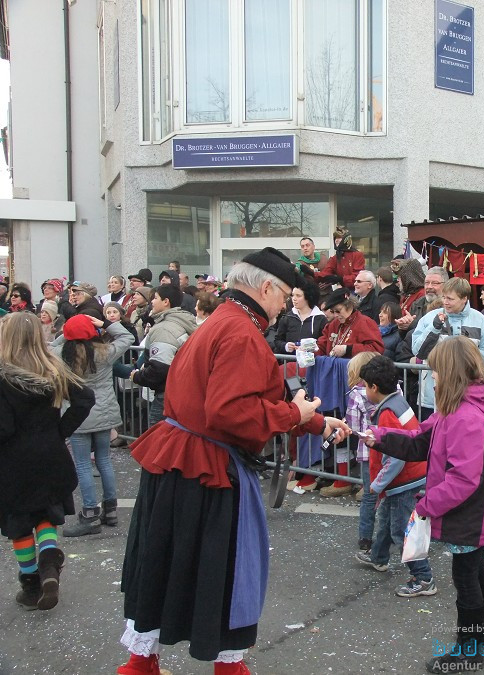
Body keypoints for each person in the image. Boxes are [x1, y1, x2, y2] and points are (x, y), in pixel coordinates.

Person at [118, 248, 349, 675]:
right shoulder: (241, 333)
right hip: (206, 471)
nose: (285, 305)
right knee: (221, 572)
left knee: (163, 564)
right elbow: (231, 413)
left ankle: (140, 663)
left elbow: (250, 398)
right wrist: (294, 414)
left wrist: (312, 421)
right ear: (266, 288)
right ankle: (226, 669)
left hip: (177, 462)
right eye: (285, 295)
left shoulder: (219, 322)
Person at [366, 337, 484, 673]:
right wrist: (378, 436)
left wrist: (427, 505)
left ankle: (469, 652)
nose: (432, 377)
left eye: (436, 371)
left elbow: (464, 479)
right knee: (475, 568)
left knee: (466, 577)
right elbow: (418, 442)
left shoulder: (463, 417)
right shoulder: (452, 411)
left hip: (470, 509)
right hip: (471, 507)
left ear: (450, 373)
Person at [0, 312, 95, 611]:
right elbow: (85, 399)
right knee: (45, 513)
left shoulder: (2, 376)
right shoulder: (53, 368)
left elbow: (4, 428)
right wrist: (60, 431)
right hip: (51, 455)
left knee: (19, 522)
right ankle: (50, 559)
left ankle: (30, 585)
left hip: (13, 460)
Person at [355, 356, 435, 599]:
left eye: (365, 385)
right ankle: (379, 557)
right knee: (387, 519)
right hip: (406, 478)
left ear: (374, 387)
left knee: (401, 530)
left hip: (403, 480)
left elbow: (396, 457)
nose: (364, 390)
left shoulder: (387, 412)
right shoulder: (398, 402)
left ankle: (423, 577)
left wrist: (377, 483)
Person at [51, 314, 133, 536]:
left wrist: (64, 335)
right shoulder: (104, 352)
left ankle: (89, 513)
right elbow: (126, 337)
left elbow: (48, 347)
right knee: (105, 461)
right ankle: (111, 510)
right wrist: (104, 324)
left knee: (83, 465)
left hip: (77, 414)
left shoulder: (59, 354)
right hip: (104, 410)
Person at [411, 277, 484, 419]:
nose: (445, 302)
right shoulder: (430, 318)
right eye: (443, 297)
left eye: (450, 299)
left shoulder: (480, 321)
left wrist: (459, 366)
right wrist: (434, 328)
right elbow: (418, 351)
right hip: (431, 396)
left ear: (464, 299)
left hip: (466, 395)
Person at [129, 285, 197, 426]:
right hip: (181, 392)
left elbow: (160, 368)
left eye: (155, 298)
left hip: (167, 396)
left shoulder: (165, 328)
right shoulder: (182, 321)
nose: (152, 302)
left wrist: (138, 376)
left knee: (159, 443)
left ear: (166, 302)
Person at [340, 353, 380, 539]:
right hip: (391, 449)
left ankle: (365, 538)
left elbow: (354, 426)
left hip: (367, 452)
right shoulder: (395, 388)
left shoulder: (356, 394)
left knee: (369, 496)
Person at [317, 289, 384, 358]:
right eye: (332, 311)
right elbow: (322, 345)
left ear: (349, 306)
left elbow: (376, 349)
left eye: (338, 311)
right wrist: (311, 350)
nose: (335, 315)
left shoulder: (364, 322)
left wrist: (348, 349)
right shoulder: (334, 324)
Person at [273, 279, 326, 354]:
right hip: (288, 363)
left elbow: (324, 343)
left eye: (298, 296)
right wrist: (286, 346)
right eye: (293, 295)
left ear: (308, 297)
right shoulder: (287, 317)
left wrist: (310, 347)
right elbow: (277, 340)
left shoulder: (321, 319)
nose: (294, 299)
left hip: (310, 363)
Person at [395, 258, 426, 323]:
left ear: (409, 277)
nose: (398, 280)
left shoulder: (422, 294)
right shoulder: (408, 294)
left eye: (400, 277)